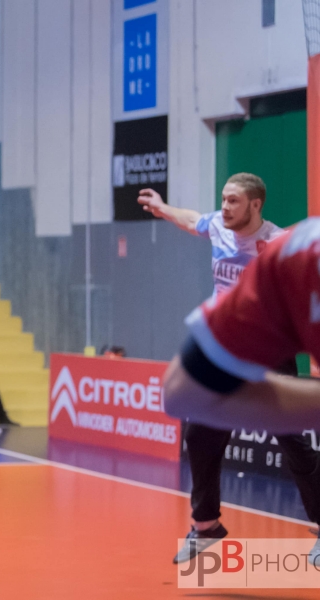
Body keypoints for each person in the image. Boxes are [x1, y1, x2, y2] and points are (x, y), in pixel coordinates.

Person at [136, 175, 320, 564]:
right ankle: (206, 526)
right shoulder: (218, 226)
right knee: (201, 431)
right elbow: (191, 220)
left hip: (271, 347)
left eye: (234, 201)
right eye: (223, 199)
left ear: (256, 205)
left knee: (294, 446)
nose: (225, 207)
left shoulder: (278, 244)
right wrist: (162, 206)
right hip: (228, 345)